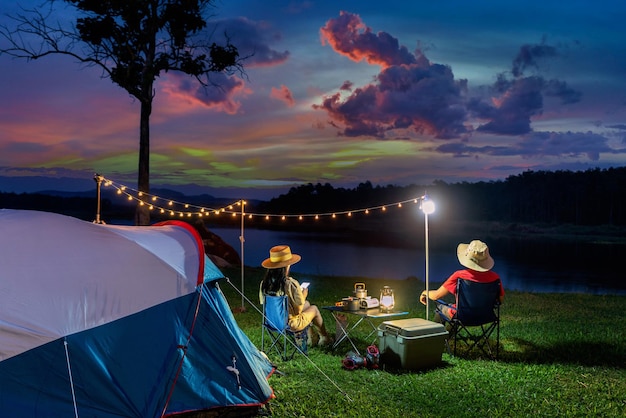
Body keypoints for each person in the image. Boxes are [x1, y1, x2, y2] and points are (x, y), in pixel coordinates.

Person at [260, 245, 331, 346]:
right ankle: (324, 338)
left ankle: (312, 338)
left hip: (272, 322)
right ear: (287, 266)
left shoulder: (264, 284)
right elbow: (298, 310)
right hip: (289, 324)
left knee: (307, 304)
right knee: (314, 309)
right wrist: (303, 295)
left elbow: (266, 304)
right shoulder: (291, 284)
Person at [419, 240, 504, 321]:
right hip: (486, 316)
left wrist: (424, 293)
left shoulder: (459, 276)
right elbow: (500, 300)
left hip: (462, 316)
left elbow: (436, 296)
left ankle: (437, 335)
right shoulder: (495, 277)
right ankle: (449, 335)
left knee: (441, 308)